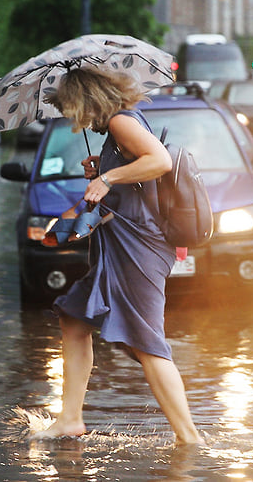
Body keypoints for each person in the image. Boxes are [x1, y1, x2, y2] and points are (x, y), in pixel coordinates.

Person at [33, 65, 203, 446]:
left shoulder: (122, 124)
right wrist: (107, 169)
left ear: (86, 101)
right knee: (75, 320)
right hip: (122, 245)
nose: (72, 120)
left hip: (138, 249)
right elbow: (138, 176)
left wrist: (107, 177)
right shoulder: (120, 126)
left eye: (71, 110)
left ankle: (190, 439)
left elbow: (160, 161)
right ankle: (70, 419)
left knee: (148, 343)